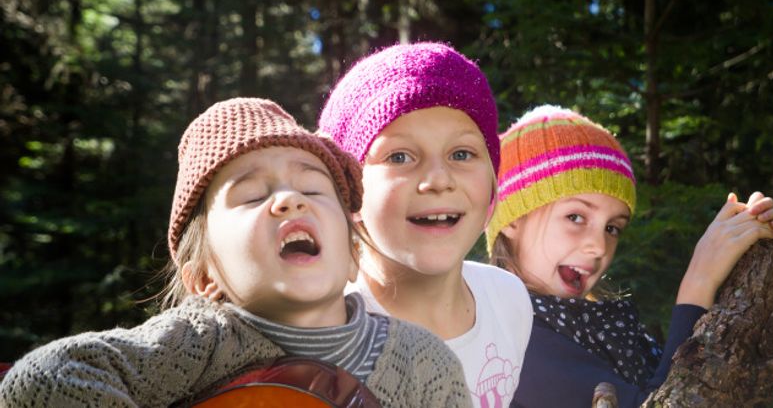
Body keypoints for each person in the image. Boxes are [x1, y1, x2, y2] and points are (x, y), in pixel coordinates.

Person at [0, 98, 470, 407]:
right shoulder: (198, 341)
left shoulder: (423, 362)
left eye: (311, 186)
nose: (290, 200)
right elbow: (42, 379)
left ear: (352, 256)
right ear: (204, 279)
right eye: (251, 196)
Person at [485, 105, 773, 407]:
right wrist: (700, 279)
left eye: (613, 227)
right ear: (512, 219)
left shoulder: (599, 326)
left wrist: (759, 262)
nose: (599, 246)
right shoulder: (508, 342)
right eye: (576, 217)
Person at [319, 42, 534, 407]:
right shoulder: (326, 332)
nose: (438, 179)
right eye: (400, 156)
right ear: (349, 189)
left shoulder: (508, 300)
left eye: (461, 154)